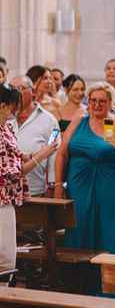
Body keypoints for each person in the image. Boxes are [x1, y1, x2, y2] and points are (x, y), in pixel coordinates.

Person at [54, 82, 115, 270]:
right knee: (79, 228)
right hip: (79, 185)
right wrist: (59, 184)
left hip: (111, 185)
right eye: (93, 100)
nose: (97, 105)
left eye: (102, 101)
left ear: (110, 102)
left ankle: (113, 283)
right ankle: (80, 284)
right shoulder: (79, 120)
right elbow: (62, 153)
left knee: (109, 231)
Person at [0, 84, 58, 283]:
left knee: (7, 256)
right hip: (1, 199)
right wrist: (42, 155)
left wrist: (36, 153)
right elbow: (12, 173)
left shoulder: (5, 128)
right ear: (2, 106)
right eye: (12, 106)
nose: (16, 110)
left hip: (8, 199)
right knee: (5, 258)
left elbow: (17, 157)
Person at [9, 75, 60, 198]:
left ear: (33, 91)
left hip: (35, 189)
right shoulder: (5, 117)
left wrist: (52, 184)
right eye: (12, 89)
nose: (16, 93)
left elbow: (54, 151)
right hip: (6, 189)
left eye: (20, 88)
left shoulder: (49, 120)